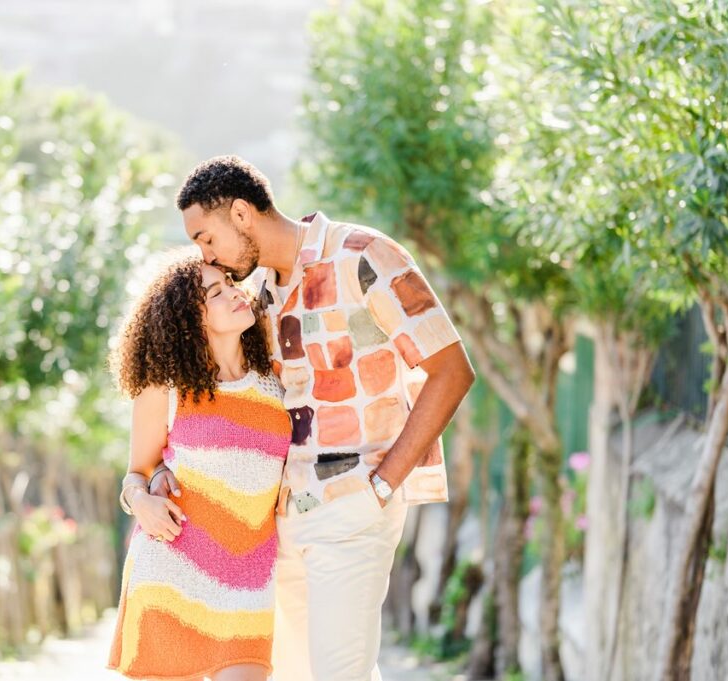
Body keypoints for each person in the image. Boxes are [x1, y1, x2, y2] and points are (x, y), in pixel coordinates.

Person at [154, 156, 475, 681]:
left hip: (353, 502)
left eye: (206, 238)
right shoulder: (259, 297)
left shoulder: (363, 256)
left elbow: (451, 370)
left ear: (240, 213)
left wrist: (383, 484)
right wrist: (166, 469)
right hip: (279, 521)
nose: (205, 255)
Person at [106, 254, 291, 681]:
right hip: (171, 573)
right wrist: (142, 501)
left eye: (230, 283)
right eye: (216, 293)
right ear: (192, 319)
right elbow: (137, 471)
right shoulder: (166, 387)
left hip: (249, 580)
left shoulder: (274, 378)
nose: (235, 294)